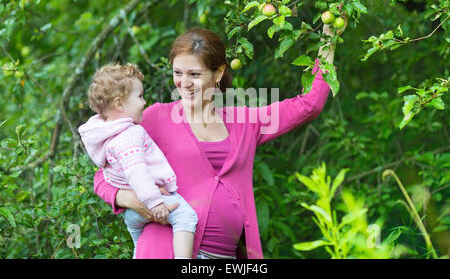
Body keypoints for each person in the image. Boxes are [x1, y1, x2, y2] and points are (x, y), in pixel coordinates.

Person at [93, 21, 346, 259]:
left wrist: (329, 37)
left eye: (194, 74)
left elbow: (310, 104)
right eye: (178, 73)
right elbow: (104, 176)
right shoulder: (155, 118)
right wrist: (132, 201)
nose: (184, 83)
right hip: (163, 249)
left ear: (218, 72)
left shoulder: (245, 122)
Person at [78, 63, 198, 259]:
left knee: (139, 244)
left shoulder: (105, 132)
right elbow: (137, 173)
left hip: (131, 213)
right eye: (140, 97)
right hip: (149, 201)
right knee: (186, 216)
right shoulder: (129, 135)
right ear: (119, 104)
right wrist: (155, 203)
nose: (144, 102)